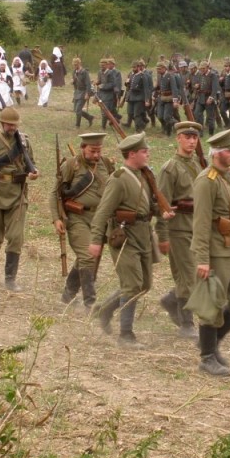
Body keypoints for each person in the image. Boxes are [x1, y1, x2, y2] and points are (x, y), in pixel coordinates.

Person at [88, 133, 174, 346]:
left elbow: (146, 205)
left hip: (144, 235)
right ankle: (126, 335)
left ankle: (104, 310)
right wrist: (95, 240)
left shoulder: (144, 175)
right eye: (144, 151)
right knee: (133, 285)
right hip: (124, 237)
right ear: (132, 154)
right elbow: (102, 212)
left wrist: (160, 211)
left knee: (144, 284)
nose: (148, 154)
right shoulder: (118, 179)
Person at [190, 127, 230, 376]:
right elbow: (202, 223)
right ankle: (207, 357)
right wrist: (203, 259)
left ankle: (212, 343)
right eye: (229, 150)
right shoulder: (207, 182)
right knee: (211, 306)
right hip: (216, 253)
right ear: (217, 153)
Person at [156, 121, 206, 339]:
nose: (192, 141)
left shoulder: (198, 164)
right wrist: (163, 235)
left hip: (197, 229)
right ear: (178, 138)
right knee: (189, 276)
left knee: (198, 274)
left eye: (195, 138)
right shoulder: (170, 168)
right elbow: (162, 203)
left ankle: (171, 299)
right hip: (179, 230)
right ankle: (187, 323)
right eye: (187, 137)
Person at [53, 132, 114, 311]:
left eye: (99, 151)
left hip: (99, 219)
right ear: (83, 148)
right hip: (77, 217)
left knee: (85, 258)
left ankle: (68, 294)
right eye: (92, 151)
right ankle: (90, 302)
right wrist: (56, 218)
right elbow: (54, 193)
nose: (96, 155)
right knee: (88, 256)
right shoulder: (72, 165)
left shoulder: (107, 164)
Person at [0, 106, 38, 292]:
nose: (12, 128)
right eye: (9, 125)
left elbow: (32, 164)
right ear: (1, 123)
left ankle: (10, 278)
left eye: (15, 125)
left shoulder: (24, 141)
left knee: (16, 238)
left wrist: (33, 173)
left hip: (17, 194)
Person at [71, 57, 95, 128]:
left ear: (79, 63)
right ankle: (89, 117)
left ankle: (77, 125)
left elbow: (88, 84)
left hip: (83, 92)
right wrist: (73, 82)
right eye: (74, 65)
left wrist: (87, 94)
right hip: (77, 92)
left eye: (76, 64)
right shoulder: (74, 72)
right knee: (75, 109)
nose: (75, 66)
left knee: (78, 109)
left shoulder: (84, 72)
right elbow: (75, 83)